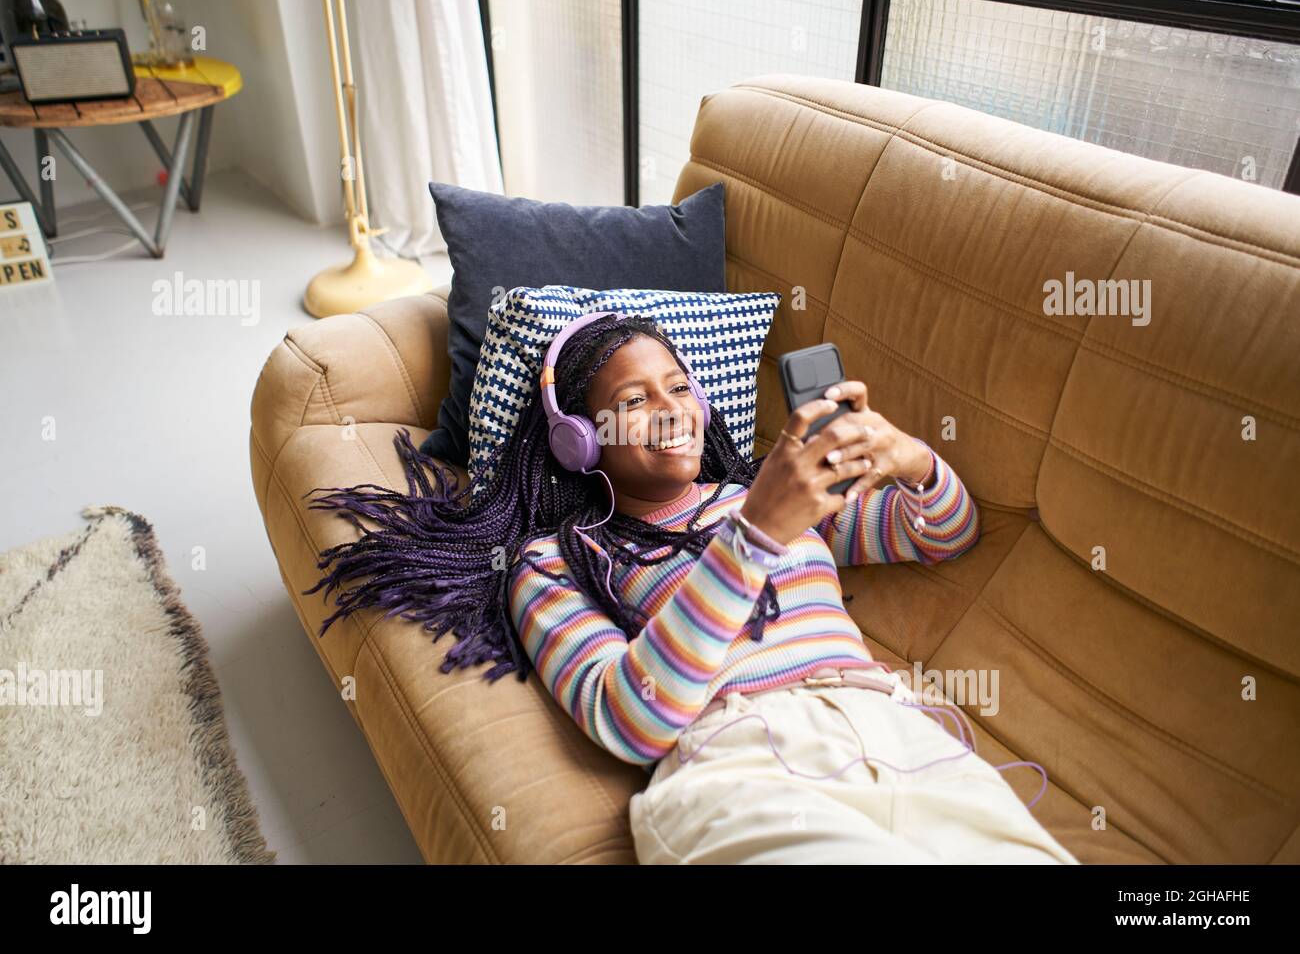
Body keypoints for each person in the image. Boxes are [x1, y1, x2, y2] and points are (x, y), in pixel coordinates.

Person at [305, 312, 1079, 864]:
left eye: (679, 387)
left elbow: (945, 532)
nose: (672, 410)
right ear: (579, 440)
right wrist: (756, 539)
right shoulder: (556, 562)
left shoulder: (773, 496)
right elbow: (630, 719)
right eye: (634, 401)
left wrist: (909, 457)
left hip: (894, 733)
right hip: (739, 763)